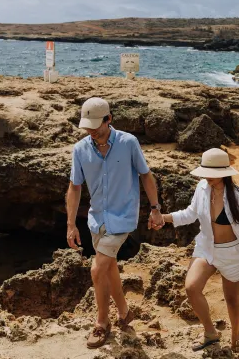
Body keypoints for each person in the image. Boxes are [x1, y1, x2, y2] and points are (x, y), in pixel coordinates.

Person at [66, 97, 163, 349]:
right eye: (87, 126)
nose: (90, 131)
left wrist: (155, 209)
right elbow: (74, 188)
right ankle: (124, 312)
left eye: (95, 125)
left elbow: (145, 175)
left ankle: (101, 323)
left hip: (123, 219)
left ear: (109, 119)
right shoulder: (79, 149)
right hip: (96, 220)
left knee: (97, 269)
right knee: (109, 269)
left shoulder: (128, 143)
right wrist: (70, 224)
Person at [150, 148, 239, 355]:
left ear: (224, 173)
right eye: (205, 172)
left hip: (233, 253)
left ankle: (236, 330)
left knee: (231, 299)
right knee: (192, 287)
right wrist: (164, 218)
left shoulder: (238, 197)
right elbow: (190, 214)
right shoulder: (202, 188)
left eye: (210, 174)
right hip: (206, 247)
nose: (206, 177)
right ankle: (210, 332)